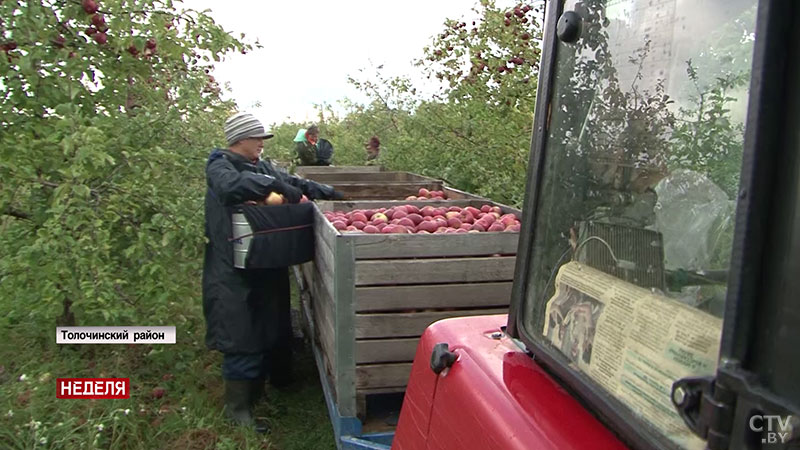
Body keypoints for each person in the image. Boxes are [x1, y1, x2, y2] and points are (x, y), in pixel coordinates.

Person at [202, 112, 342, 433]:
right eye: (258, 139)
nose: (262, 145)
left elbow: (290, 183)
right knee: (241, 329)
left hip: (265, 258)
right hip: (233, 266)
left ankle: (274, 383)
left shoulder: (259, 166)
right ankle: (238, 410)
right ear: (240, 139)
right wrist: (270, 186)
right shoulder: (220, 166)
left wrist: (327, 192)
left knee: (273, 320)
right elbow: (229, 187)